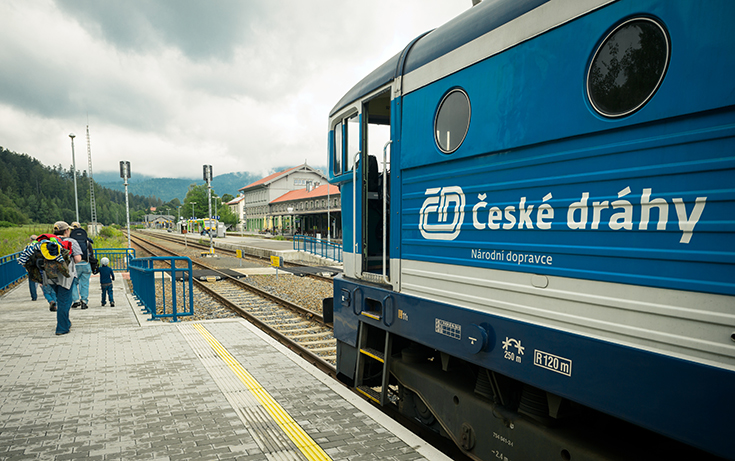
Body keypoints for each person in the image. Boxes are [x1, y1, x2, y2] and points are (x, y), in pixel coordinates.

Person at [44, 221, 82, 335]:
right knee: (64, 301)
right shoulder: (71, 241)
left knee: (62, 299)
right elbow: (77, 259)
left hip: (50, 275)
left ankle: (66, 322)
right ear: (66, 231)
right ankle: (62, 328)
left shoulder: (47, 241)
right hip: (65, 276)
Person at [69, 222, 93, 310]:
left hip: (74, 265)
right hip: (85, 263)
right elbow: (91, 253)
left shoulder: (70, 241)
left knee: (73, 283)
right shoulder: (86, 241)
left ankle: (75, 300)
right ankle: (84, 301)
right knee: (84, 284)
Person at [27, 235, 39, 301]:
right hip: (39, 264)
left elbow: (25, 256)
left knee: (32, 281)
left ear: (31, 240)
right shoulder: (40, 246)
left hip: (31, 265)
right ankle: (48, 294)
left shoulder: (28, 247)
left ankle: (34, 297)